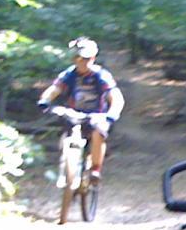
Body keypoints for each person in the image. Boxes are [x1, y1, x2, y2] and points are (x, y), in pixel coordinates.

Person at [37, 38, 124, 183]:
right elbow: (55, 89)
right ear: (73, 58)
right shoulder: (69, 74)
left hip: (97, 116)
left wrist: (113, 113)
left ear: (93, 58)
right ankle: (68, 165)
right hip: (74, 114)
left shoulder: (101, 75)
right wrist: (45, 101)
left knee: (98, 133)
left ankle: (95, 169)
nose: (82, 62)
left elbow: (114, 95)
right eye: (78, 58)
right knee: (65, 132)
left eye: (86, 58)